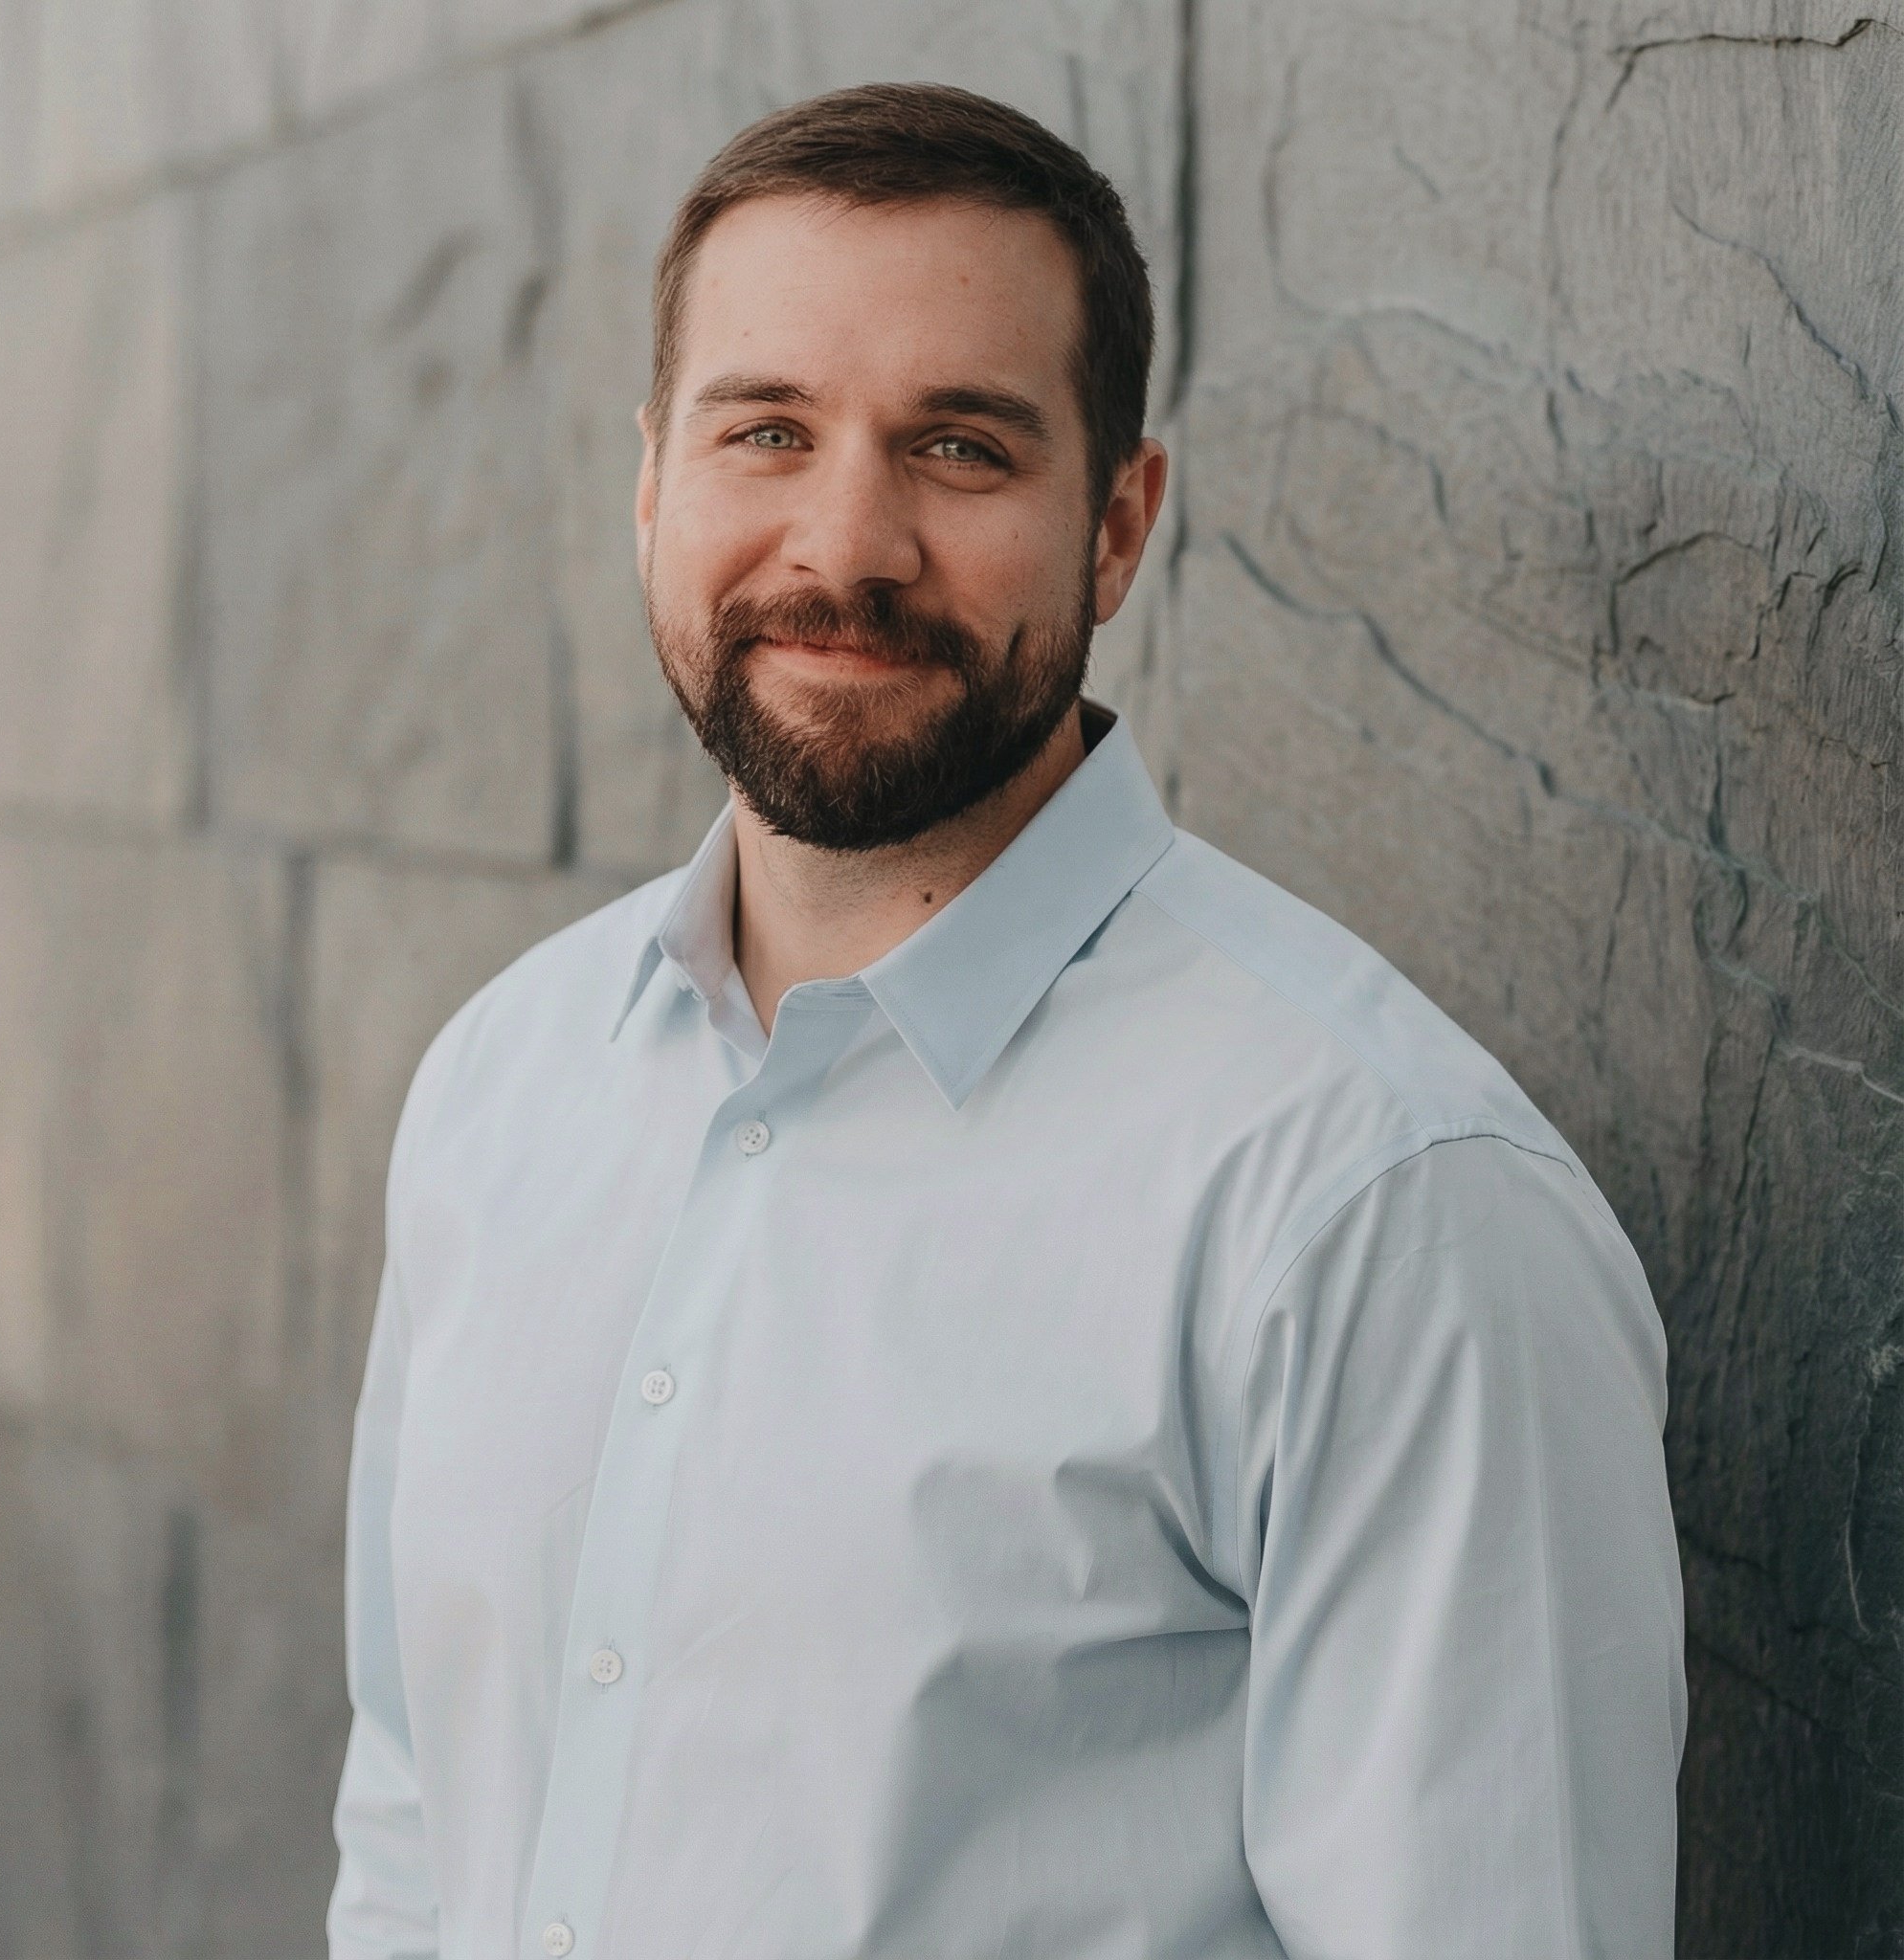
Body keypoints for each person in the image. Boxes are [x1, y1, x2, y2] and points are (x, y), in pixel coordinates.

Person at [327, 82, 1685, 1960]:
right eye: (766, 431)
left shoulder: (1378, 1204)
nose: (846, 542)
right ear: (652, 481)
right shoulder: (498, 1086)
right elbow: (414, 1815)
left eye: (959, 447)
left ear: (1117, 527)